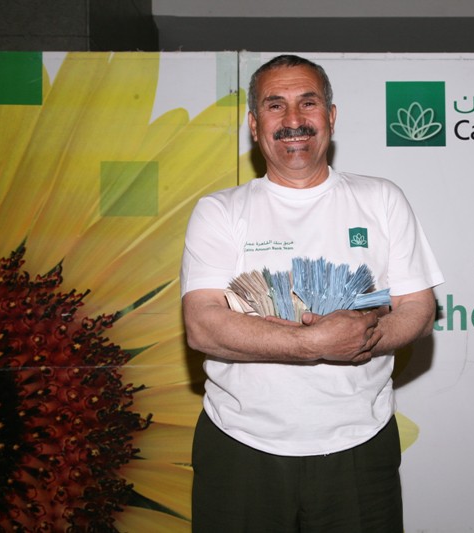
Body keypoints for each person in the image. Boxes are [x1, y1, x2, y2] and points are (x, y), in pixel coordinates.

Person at [180, 54, 443, 532]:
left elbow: (419, 310)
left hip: (360, 448)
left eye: (308, 102)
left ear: (331, 117)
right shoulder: (220, 211)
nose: (293, 120)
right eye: (275, 106)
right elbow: (202, 326)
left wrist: (361, 339)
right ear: (254, 125)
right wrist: (313, 344)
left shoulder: (382, 199)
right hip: (239, 446)